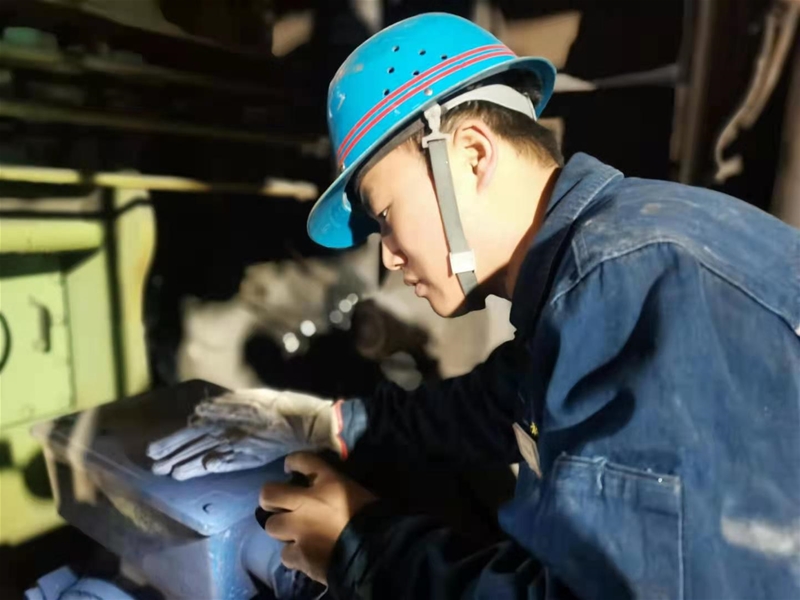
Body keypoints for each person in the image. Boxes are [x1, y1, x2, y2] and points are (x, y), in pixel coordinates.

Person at [149, 12, 800, 599]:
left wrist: (359, 545)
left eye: (386, 215)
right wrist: (328, 423)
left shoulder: (630, 283)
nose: (388, 257)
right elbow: (496, 406)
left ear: (470, 155)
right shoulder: (612, 257)